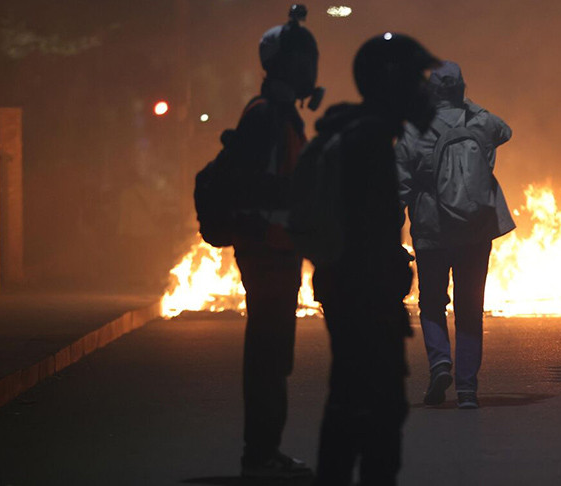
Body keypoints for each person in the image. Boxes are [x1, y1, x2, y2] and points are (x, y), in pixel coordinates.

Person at [307, 33, 439, 486]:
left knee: (349, 407)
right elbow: (367, 233)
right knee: (373, 418)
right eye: (416, 79)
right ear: (392, 82)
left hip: (354, 296)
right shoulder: (367, 144)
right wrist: (383, 292)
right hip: (364, 302)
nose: (424, 90)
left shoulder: (363, 133)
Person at [229, 4, 322, 479]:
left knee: (274, 354)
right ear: (284, 66)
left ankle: (266, 448)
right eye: (303, 61)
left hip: (278, 250)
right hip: (267, 251)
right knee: (267, 355)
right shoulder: (266, 117)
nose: (310, 70)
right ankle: (260, 452)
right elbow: (261, 186)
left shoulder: (280, 114)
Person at [395, 60, 514, 409]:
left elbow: (398, 186)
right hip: (476, 231)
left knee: (432, 303)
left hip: (432, 230)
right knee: (470, 308)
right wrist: (467, 104)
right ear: (461, 90)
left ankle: (440, 363)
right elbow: (505, 130)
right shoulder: (480, 122)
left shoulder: (413, 131)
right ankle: (467, 390)